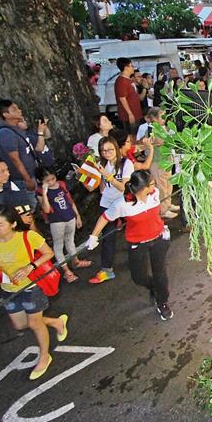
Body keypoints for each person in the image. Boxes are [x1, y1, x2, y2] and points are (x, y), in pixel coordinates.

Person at [0, 205, 69, 380]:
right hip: (8, 290)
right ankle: (56, 322)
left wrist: (30, 267)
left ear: (13, 224)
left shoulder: (28, 236)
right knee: (20, 325)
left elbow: (48, 253)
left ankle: (44, 357)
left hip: (31, 287)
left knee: (35, 323)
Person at [87, 171, 173, 321]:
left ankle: (162, 302)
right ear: (142, 187)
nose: (154, 186)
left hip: (158, 239)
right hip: (137, 244)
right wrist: (93, 236)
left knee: (161, 275)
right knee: (138, 277)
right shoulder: (122, 204)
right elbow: (105, 217)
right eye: (151, 184)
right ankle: (152, 286)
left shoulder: (154, 193)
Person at [89, 137, 134, 284]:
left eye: (110, 149)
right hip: (108, 202)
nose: (107, 153)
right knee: (108, 237)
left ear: (116, 148)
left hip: (124, 202)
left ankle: (140, 257)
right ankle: (107, 269)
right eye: (103, 150)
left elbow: (124, 187)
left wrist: (108, 176)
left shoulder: (126, 164)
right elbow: (98, 185)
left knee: (134, 230)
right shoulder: (103, 164)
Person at [37, 167, 87, 284]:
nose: (51, 182)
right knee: (58, 245)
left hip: (70, 217)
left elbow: (70, 201)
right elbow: (46, 209)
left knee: (70, 240)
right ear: (41, 181)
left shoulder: (61, 184)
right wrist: (44, 193)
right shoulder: (40, 192)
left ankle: (76, 261)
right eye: (47, 180)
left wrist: (77, 215)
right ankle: (66, 270)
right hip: (56, 221)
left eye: (53, 179)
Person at [0, 99, 52, 193]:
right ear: (6, 115)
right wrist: (27, 179)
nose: (19, 110)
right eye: (14, 109)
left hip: (34, 172)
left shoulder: (18, 129)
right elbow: (15, 159)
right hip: (23, 178)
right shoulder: (6, 133)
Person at [114, 57, 143, 133]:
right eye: (131, 66)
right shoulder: (121, 81)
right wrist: (130, 114)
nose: (133, 68)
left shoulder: (129, 80)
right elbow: (122, 99)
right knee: (132, 134)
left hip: (136, 113)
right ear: (126, 67)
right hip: (129, 116)